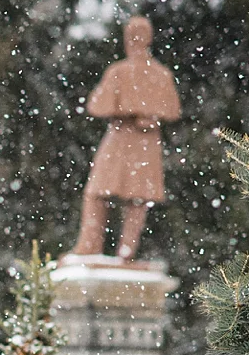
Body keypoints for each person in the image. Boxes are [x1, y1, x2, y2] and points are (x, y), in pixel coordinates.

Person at [71, 15, 182, 260]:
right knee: (111, 194)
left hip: (135, 139)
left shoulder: (138, 73)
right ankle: (100, 246)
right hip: (129, 137)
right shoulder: (133, 73)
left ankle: (117, 249)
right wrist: (134, 110)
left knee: (129, 197)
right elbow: (97, 106)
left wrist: (139, 110)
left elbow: (172, 109)